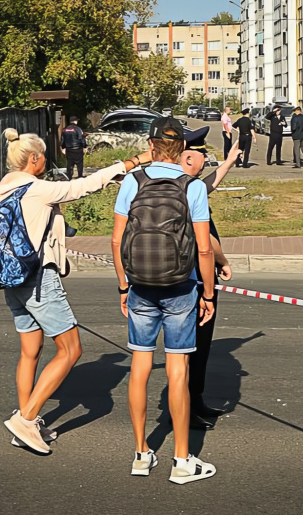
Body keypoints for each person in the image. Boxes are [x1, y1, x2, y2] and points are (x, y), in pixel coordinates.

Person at [0, 127, 149, 454]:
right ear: (33, 159)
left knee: (30, 352)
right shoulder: (36, 189)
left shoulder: (0, 190)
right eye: (43, 157)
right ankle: (26, 420)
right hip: (38, 278)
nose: (46, 161)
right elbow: (83, 186)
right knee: (70, 350)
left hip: (11, 278)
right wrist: (132, 162)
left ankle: (26, 420)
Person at [111, 117, 217, 484]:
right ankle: (182, 461)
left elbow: (116, 239)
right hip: (181, 287)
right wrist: (207, 293)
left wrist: (123, 286)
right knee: (178, 370)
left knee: (140, 365)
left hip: (140, 285)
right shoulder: (192, 187)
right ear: (182, 148)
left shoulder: (133, 181)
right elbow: (204, 247)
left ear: (151, 146)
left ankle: (141, 454)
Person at [180, 127, 238, 430]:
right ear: (188, 157)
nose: (206, 160)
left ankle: (195, 400)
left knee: (197, 347)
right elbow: (206, 241)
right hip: (196, 277)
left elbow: (208, 185)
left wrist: (229, 161)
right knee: (194, 346)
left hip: (188, 275)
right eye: (203, 155)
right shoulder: (188, 189)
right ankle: (185, 408)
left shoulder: (182, 186)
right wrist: (223, 261)